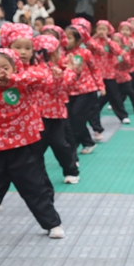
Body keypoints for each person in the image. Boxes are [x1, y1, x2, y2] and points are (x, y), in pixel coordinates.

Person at [0, 48, 65, 238]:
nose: (0, 72)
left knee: (34, 188)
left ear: (15, 67)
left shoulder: (25, 83)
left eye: (5, 67)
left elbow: (41, 76)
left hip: (21, 145)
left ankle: (52, 224)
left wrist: (13, 79)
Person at [33, 34, 80, 184]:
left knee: (60, 145)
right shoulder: (41, 70)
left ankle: (71, 170)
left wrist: (70, 71)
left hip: (55, 115)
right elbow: (59, 88)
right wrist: (71, 71)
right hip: (39, 115)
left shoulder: (55, 68)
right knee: (39, 149)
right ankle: (39, 176)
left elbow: (66, 89)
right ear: (53, 52)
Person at [61, 22, 101, 158]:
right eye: (64, 37)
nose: (66, 40)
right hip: (69, 91)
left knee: (77, 118)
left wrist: (100, 86)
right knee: (73, 119)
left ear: (78, 40)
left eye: (70, 38)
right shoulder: (61, 54)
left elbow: (95, 69)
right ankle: (88, 142)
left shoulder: (85, 53)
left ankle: (72, 150)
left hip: (86, 90)